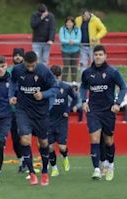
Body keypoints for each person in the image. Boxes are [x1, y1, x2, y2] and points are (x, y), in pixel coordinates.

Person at [9, 51, 58, 186]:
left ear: (36, 62)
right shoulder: (17, 70)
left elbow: (55, 87)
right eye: (27, 66)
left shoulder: (44, 71)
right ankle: (31, 173)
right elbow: (12, 83)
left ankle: (44, 172)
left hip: (40, 111)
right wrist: (11, 95)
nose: (30, 68)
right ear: (24, 62)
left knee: (43, 142)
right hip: (23, 109)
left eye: (32, 66)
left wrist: (43, 94)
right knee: (24, 139)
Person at [79, 45, 126, 181]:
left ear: (105, 56)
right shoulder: (87, 72)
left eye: (100, 54)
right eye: (96, 54)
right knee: (94, 139)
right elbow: (83, 87)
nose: (98, 57)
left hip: (108, 111)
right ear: (93, 56)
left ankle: (110, 165)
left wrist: (117, 104)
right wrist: (83, 101)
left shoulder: (112, 72)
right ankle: (97, 169)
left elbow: (123, 87)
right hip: (93, 110)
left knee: (108, 140)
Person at [48, 65, 78, 177]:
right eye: (52, 77)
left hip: (61, 120)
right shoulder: (46, 88)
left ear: (60, 76)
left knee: (62, 147)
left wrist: (68, 109)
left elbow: (75, 98)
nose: (55, 79)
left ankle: (65, 157)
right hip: (49, 120)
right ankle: (54, 168)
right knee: (50, 147)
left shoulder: (65, 87)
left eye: (56, 77)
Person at [8, 48, 25, 172]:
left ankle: (26, 159)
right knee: (15, 137)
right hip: (12, 110)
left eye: (20, 55)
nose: (18, 57)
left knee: (25, 135)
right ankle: (21, 160)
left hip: (26, 109)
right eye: (16, 55)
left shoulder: (28, 70)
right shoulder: (8, 71)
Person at [59, 16, 81, 82]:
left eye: (71, 22)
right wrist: (69, 41)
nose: (69, 24)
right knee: (66, 66)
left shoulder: (77, 29)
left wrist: (73, 42)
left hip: (75, 50)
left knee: (74, 67)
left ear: (73, 23)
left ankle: (74, 82)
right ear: (65, 23)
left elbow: (78, 40)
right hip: (65, 51)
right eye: (67, 22)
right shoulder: (62, 29)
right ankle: (63, 81)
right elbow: (62, 39)